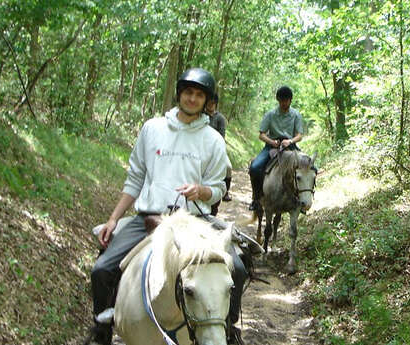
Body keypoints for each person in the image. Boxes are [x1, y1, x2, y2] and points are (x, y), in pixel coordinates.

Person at [89, 68, 248, 345]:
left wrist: (201, 190)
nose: (192, 99)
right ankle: (102, 329)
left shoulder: (213, 140)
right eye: (188, 92)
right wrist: (114, 219)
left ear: (207, 101)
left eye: (199, 95)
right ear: (179, 94)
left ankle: (227, 328)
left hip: (195, 221)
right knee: (101, 269)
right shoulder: (152, 129)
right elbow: (135, 178)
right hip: (150, 218)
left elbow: (218, 189)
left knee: (237, 267)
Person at [248, 86, 304, 211]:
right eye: (282, 101)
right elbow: (261, 134)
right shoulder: (270, 115)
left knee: (308, 167)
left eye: (286, 100)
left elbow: (299, 135)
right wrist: (272, 142)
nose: (284, 103)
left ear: (290, 100)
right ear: (278, 100)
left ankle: (301, 201)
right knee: (255, 167)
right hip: (272, 145)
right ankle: (256, 199)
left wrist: (290, 141)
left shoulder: (296, 115)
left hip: (290, 146)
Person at [205, 93, 232, 216]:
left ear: (215, 104)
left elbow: (222, 135)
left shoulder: (220, 118)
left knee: (228, 167)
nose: (210, 105)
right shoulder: (201, 115)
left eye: (212, 103)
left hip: (217, 148)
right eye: (208, 103)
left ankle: (225, 192)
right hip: (201, 147)